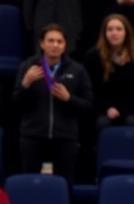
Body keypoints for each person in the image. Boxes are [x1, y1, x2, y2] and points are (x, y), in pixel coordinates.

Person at [12, 23, 93, 182]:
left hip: (65, 137)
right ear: (41, 44)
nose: (55, 45)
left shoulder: (77, 70)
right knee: (30, 184)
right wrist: (25, 84)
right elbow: (15, 104)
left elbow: (88, 106)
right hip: (33, 136)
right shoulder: (27, 67)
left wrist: (69, 99)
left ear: (65, 45)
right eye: (50, 41)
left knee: (64, 186)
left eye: (59, 41)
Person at [83, 12, 134, 131]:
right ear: (104, 33)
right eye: (110, 29)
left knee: (132, 123)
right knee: (102, 123)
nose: (114, 33)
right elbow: (91, 91)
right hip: (103, 109)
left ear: (126, 32)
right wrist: (107, 108)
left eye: (119, 29)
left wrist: (122, 110)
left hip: (131, 109)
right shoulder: (93, 57)